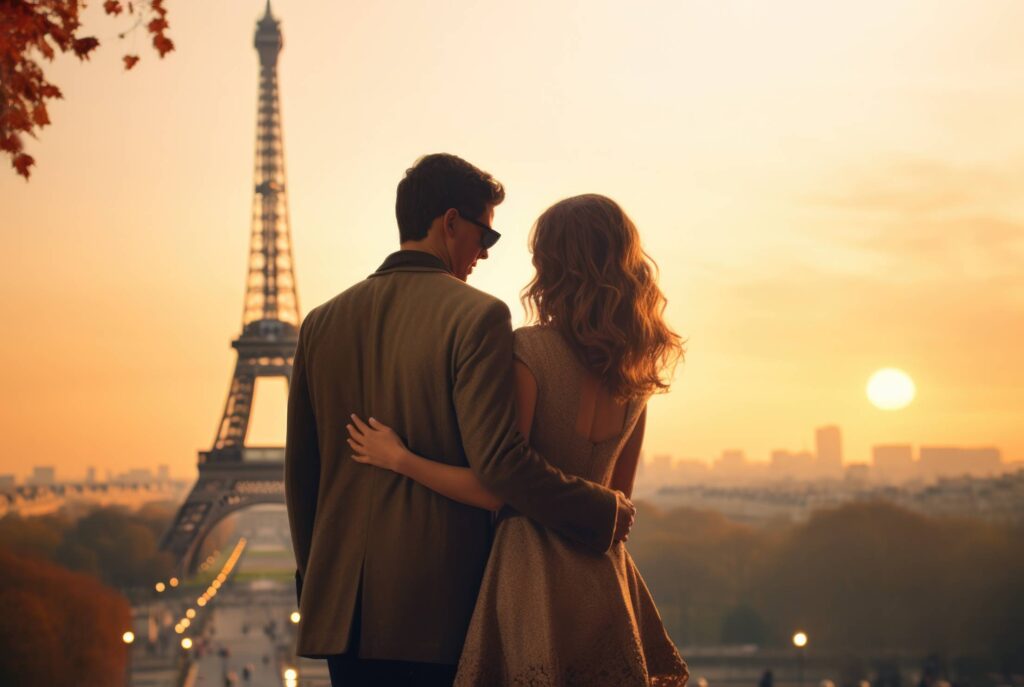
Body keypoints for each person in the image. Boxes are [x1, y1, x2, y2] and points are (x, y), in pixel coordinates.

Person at [285, 155, 635, 687]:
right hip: (438, 606)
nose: (484, 255)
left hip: (343, 613)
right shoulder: (479, 316)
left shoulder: (320, 322)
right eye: (485, 238)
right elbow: (500, 465)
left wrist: (320, 584)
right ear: (450, 223)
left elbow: (301, 479)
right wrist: (601, 506)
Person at [347, 194, 689, 686]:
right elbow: (617, 504)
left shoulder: (529, 351)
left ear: (553, 266)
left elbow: (499, 481)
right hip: (605, 577)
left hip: (530, 574)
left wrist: (401, 459)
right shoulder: (636, 372)